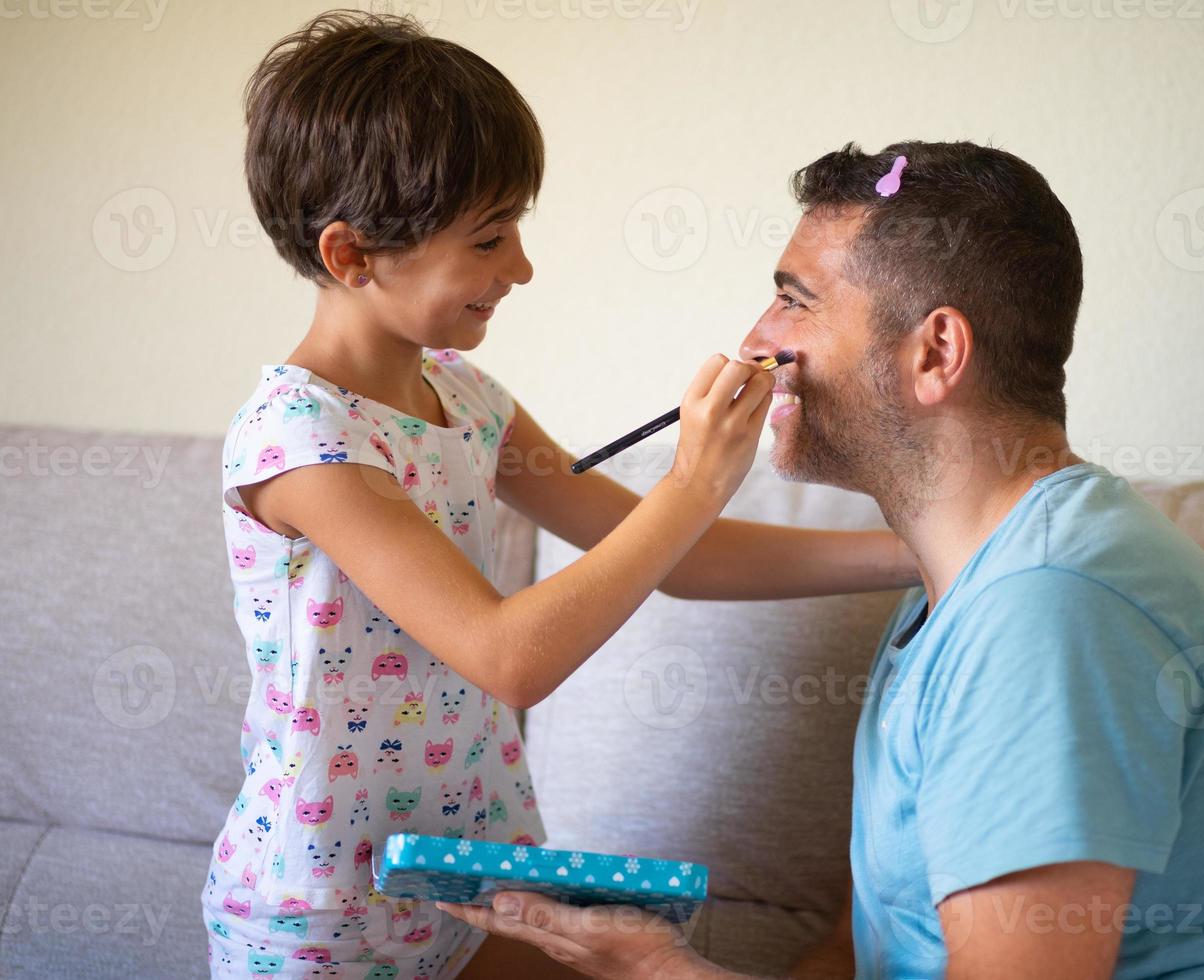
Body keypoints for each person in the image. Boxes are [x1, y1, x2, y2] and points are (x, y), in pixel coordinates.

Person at [439, 141, 1204, 979]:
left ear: (937, 353)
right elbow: (875, 940)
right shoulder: (964, 585)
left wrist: (656, 972)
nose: (756, 343)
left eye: (794, 300)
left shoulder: (1048, 611)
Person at [201, 15, 919, 978]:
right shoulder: (301, 443)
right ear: (350, 254)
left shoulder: (464, 398)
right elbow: (510, 658)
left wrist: (920, 549)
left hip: (471, 877)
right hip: (322, 913)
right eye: (489, 238)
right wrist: (694, 479)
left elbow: (682, 557)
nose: (521, 268)